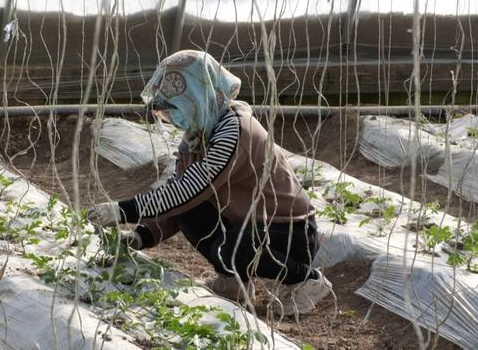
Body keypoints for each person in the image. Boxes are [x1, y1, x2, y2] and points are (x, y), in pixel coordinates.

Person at [87, 50, 331, 316]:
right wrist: (141, 236)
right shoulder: (196, 137)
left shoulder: (235, 131)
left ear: (196, 98)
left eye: (175, 109)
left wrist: (123, 211)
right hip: (248, 224)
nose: (173, 120)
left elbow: (190, 188)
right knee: (191, 213)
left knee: (230, 248)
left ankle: (305, 279)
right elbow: (179, 196)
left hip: (288, 231)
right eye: (166, 114)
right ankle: (233, 282)